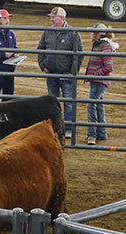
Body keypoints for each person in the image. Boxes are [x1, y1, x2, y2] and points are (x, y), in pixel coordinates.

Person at [37, 7, 83, 139]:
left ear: (62, 18)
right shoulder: (47, 32)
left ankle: (68, 128)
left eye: (54, 17)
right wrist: (43, 65)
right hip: (51, 72)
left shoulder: (72, 33)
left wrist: (73, 72)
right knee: (52, 101)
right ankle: (55, 127)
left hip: (66, 74)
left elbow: (79, 54)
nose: (51, 19)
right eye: (51, 17)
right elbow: (40, 49)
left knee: (68, 102)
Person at [85, 23, 119, 145]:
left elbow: (109, 67)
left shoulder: (104, 46)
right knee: (98, 106)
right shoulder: (100, 45)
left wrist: (95, 74)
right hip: (98, 81)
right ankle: (101, 133)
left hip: (99, 81)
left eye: (92, 32)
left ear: (98, 34)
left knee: (91, 105)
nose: (90, 34)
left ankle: (92, 134)